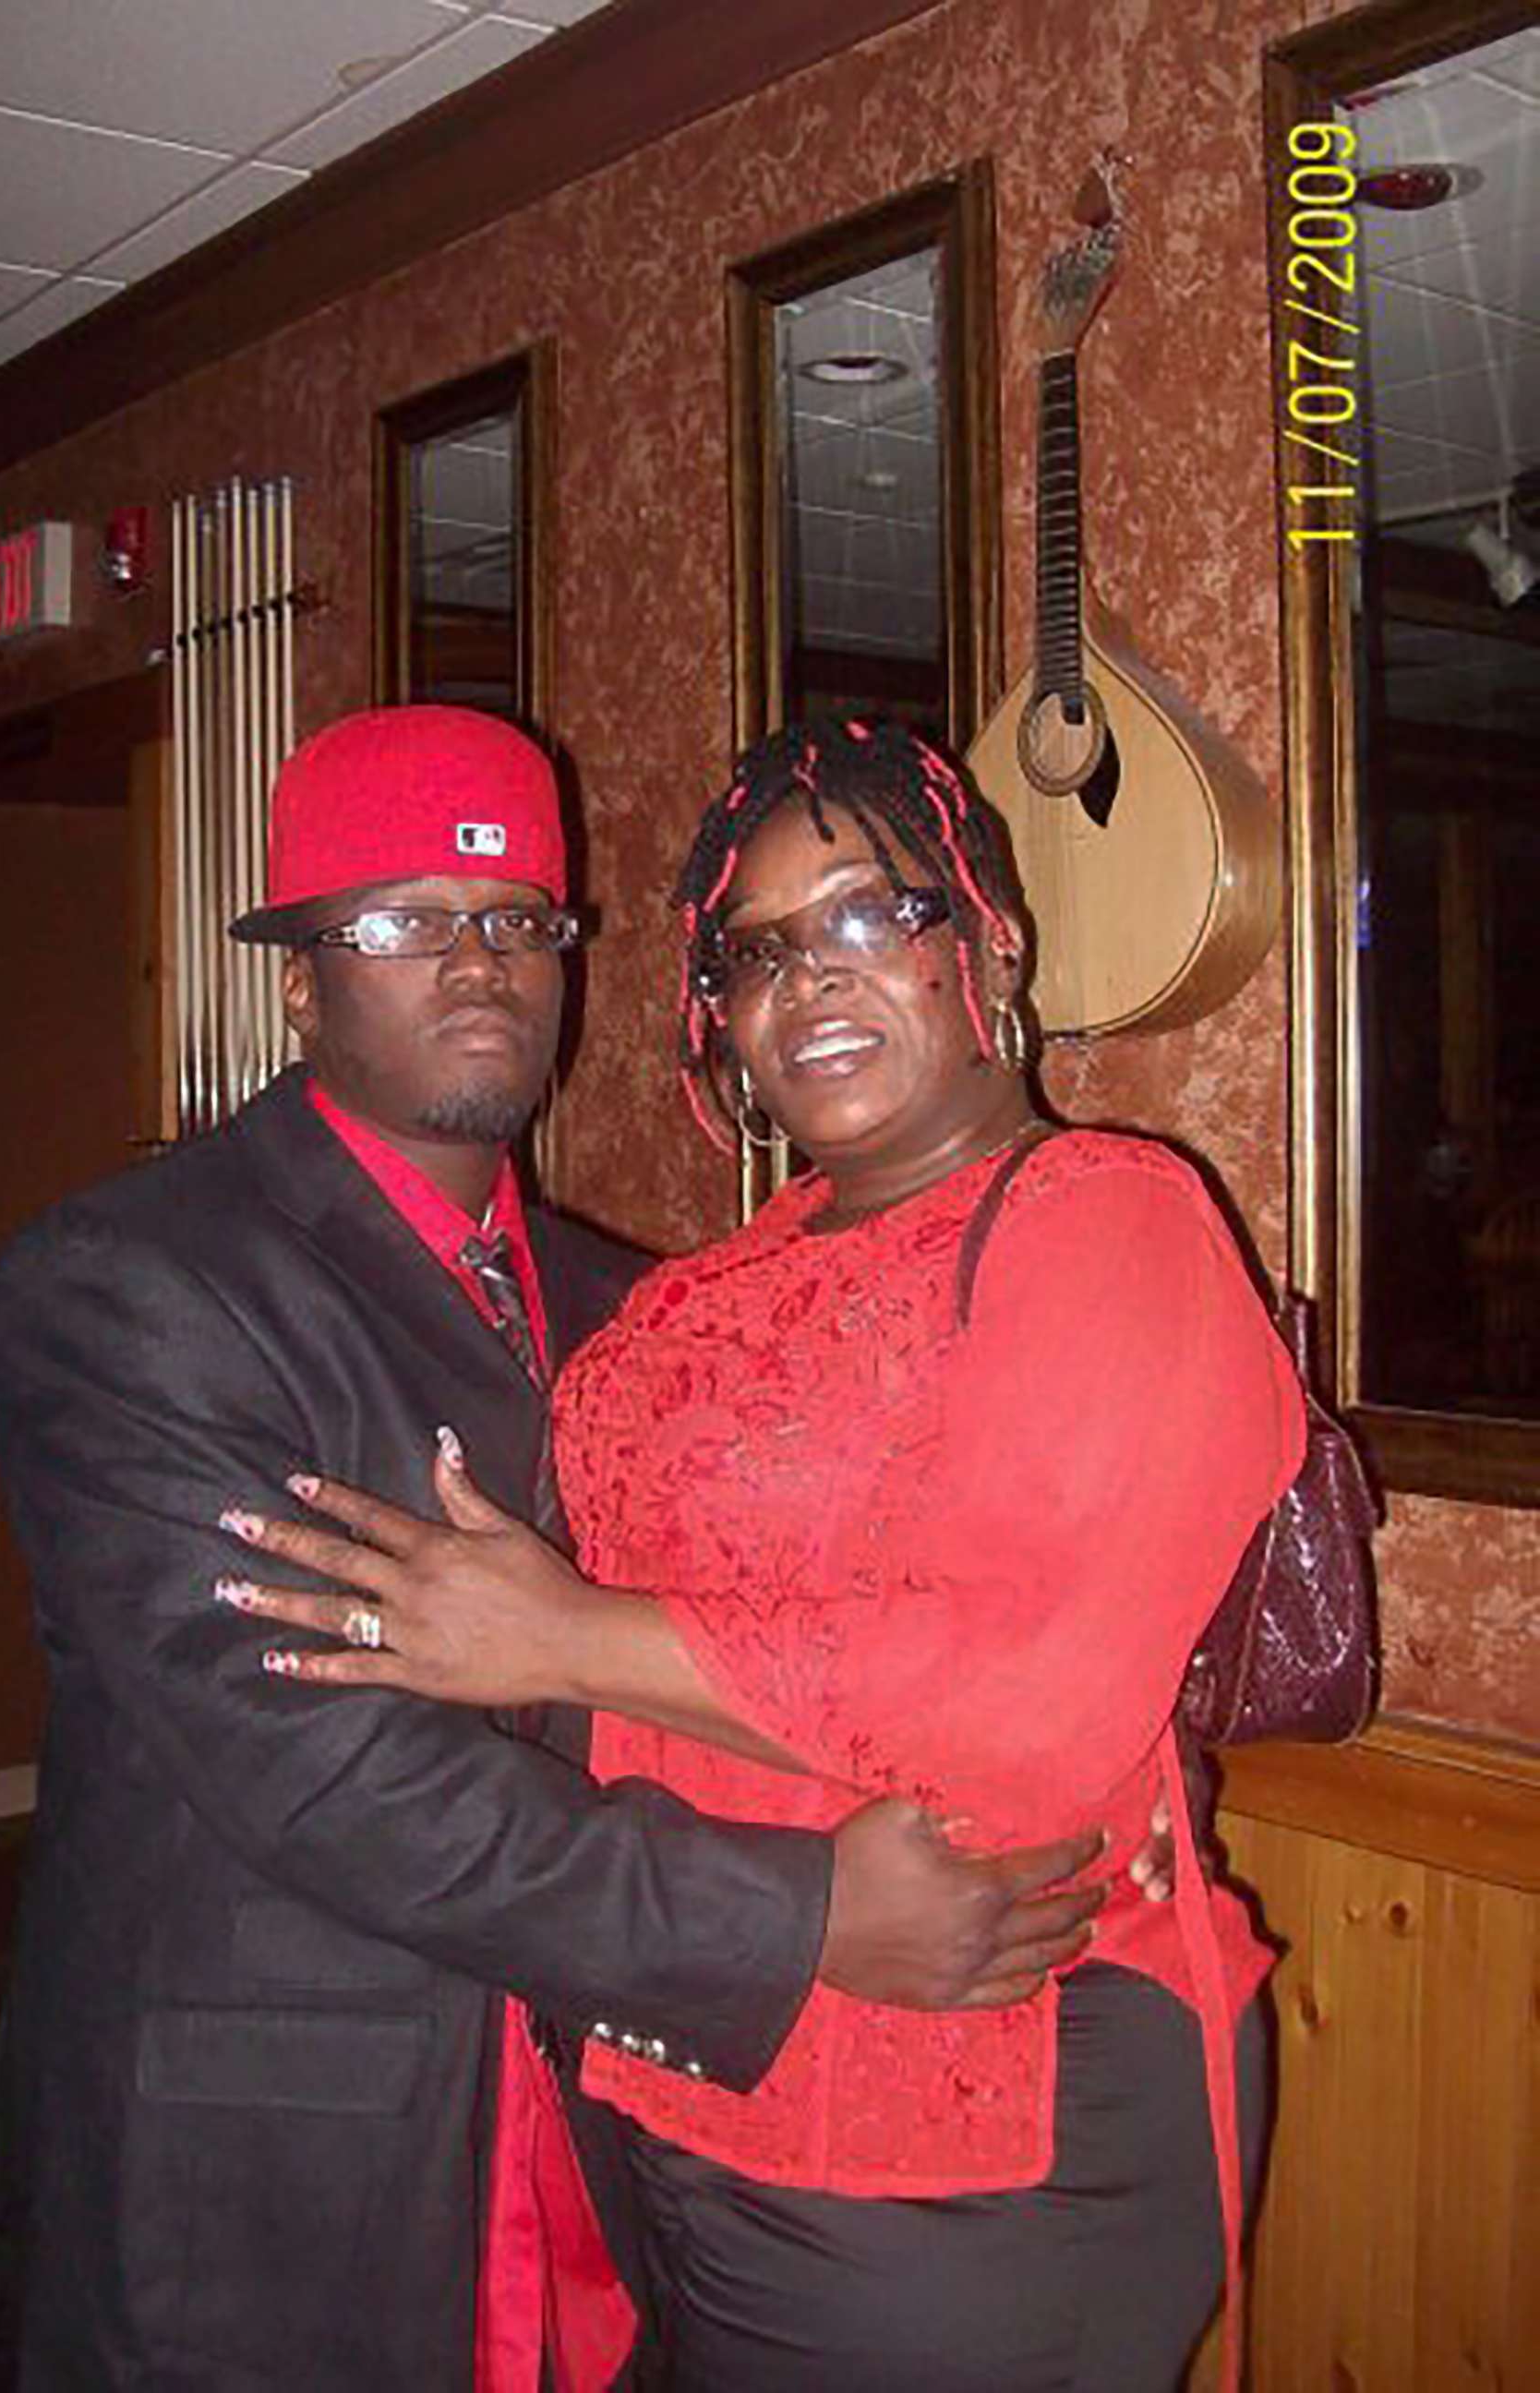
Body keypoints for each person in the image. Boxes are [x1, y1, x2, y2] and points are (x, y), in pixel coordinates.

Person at [0, 704, 1133, 2392]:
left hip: (598, 2123)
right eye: (403, 923)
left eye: (522, 922)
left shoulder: (630, 1308)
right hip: (283, 2158)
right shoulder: (135, 1286)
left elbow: (787, 1629)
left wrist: (1037, 1800)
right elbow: (320, 1770)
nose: (479, 965)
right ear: (299, 974)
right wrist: (798, 1918)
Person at [226, 715, 1305, 2392]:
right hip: (695, 2061)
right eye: (761, 951)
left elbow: (1025, 1701)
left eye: (875, 916)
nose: (816, 980)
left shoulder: (1106, 1216)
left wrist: (565, 1636)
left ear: (986, 944)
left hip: (981, 2095)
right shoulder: (693, 1289)